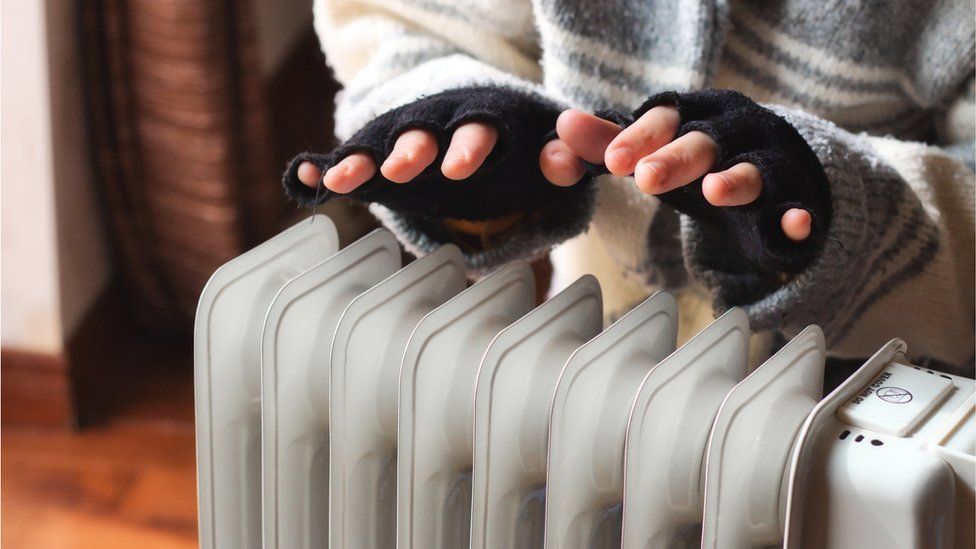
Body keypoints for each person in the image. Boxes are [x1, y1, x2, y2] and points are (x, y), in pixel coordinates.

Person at [283, 0, 975, 374]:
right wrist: (467, 117)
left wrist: (844, 214)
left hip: (888, 389)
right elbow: (407, 26)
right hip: (607, 356)